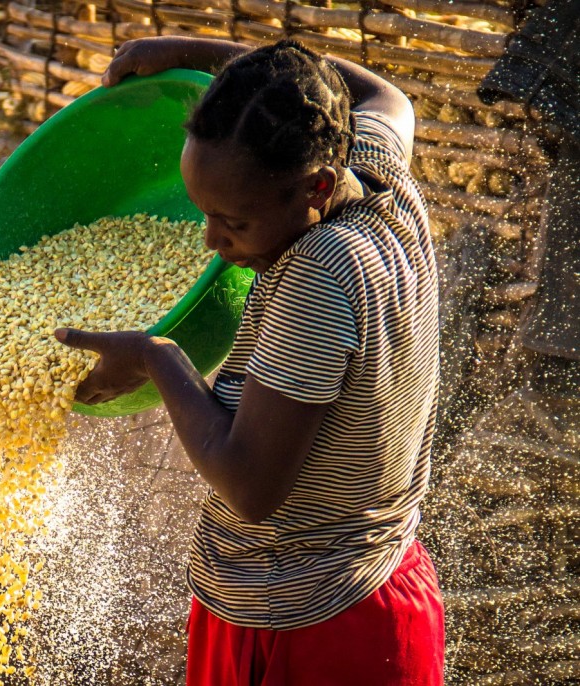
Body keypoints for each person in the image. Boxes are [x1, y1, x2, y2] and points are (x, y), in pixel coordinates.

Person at [55, 37, 445, 685]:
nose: (212, 240)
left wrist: (158, 359)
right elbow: (382, 95)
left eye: (232, 222)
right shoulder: (382, 177)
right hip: (381, 582)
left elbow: (251, 487)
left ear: (315, 187)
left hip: (307, 623)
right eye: (203, 213)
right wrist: (187, 52)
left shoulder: (319, 275)